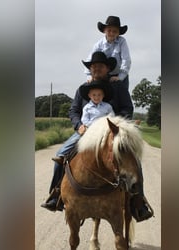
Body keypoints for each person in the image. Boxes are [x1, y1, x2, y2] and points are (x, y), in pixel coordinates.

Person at [41, 52, 152, 222]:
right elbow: (73, 110)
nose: (96, 69)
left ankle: (138, 203)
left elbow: (127, 109)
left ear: (107, 68)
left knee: (133, 162)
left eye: (100, 66)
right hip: (86, 133)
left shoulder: (118, 87)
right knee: (61, 155)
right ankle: (55, 195)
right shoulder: (83, 88)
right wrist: (78, 125)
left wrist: (117, 125)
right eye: (93, 67)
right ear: (90, 70)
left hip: (113, 133)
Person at [51, 79, 115, 164]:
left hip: (105, 130)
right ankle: (62, 155)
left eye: (99, 95)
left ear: (103, 95)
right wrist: (93, 126)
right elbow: (84, 120)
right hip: (88, 130)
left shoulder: (108, 107)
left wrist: (104, 126)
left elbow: (112, 117)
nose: (96, 97)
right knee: (74, 140)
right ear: (89, 95)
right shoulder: (87, 107)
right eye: (94, 95)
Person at [85, 16, 131, 89]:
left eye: (115, 31)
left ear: (119, 33)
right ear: (104, 31)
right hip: (104, 76)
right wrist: (89, 76)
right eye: (109, 30)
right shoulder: (99, 44)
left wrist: (120, 77)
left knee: (122, 96)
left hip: (120, 75)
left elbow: (126, 59)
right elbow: (90, 60)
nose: (112, 33)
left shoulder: (122, 42)